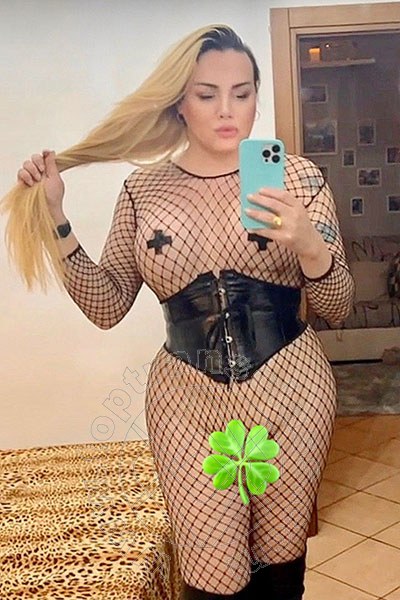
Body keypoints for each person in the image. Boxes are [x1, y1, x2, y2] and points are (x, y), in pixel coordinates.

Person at [4, 24, 355, 600]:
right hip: (186, 404)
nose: (227, 110)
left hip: (293, 392)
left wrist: (309, 245)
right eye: (206, 94)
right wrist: (56, 218)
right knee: (212, 583)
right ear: (179, 103)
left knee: (280, 573)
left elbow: (337, 308)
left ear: (257, 97)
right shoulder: (143, 190)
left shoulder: (298, 178)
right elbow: (107, 305)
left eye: (242, 93)